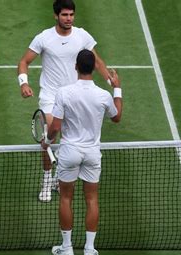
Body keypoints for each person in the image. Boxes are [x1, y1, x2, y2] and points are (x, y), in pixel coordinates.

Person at [17, 0, 112, 202]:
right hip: (50, 96)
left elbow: (97, 62)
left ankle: (60, 180)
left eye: (71, 15)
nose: (68, 19)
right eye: (64, 15)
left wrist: (111, 82)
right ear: (56, 16)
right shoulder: (44, 38)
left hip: (74, 97)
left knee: (69, 140)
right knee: (50, 132)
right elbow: (24, 62)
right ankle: (46, 179)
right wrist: (23, 83)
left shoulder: (82, 36)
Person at [41, 49, 122, 255]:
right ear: (94, 68)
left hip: (69, 152)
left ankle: (67, 248)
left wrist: (47, 142)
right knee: (92, 199)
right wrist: (117, 88)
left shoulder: (64, 92)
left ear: (75, 67)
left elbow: (55, 127)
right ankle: (88, 251)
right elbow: (117, 117)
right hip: (92, 154)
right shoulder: (103, 95)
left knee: (66, 199)